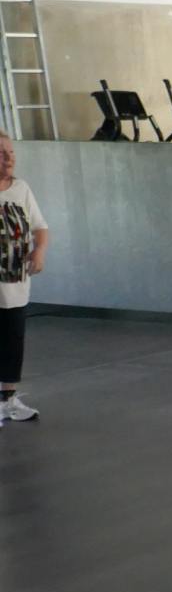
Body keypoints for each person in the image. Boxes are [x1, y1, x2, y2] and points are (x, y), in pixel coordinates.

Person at [0, 127, 49, 426]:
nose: (9, 159)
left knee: (12, 342)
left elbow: (40, 227)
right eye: (1, 154)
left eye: (11, 152)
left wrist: (38, 251)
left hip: (15, 284)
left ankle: (7, 400)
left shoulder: (21, 189)